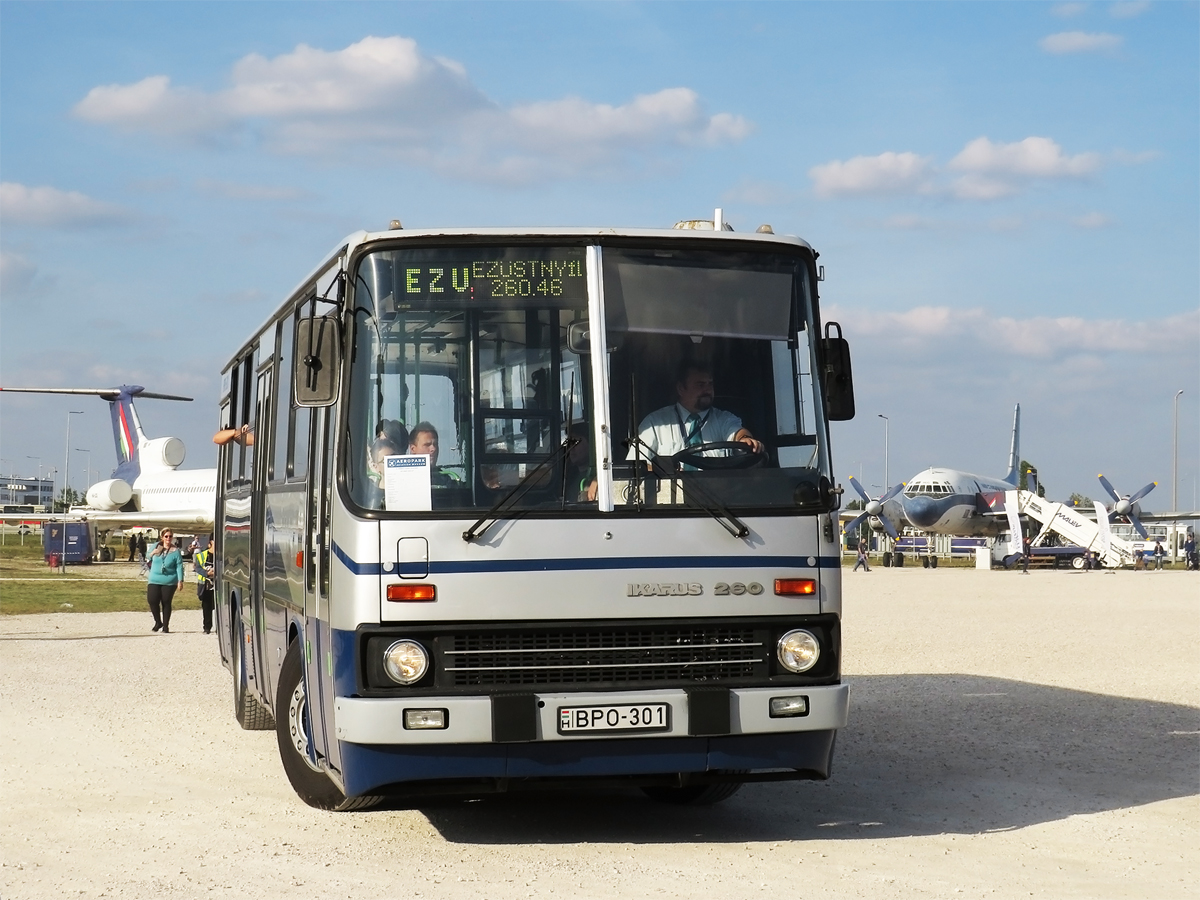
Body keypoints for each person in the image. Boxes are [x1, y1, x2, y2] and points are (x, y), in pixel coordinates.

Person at [630, 361, 764, 466]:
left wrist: (745, 439)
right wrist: (665, 470)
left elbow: (738, 433)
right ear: (681, 388)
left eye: (710, 384)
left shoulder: (724, 419)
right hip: (672, 498)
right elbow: (637, 466)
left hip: (719, 498)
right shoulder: (655, 423)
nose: (707, 389)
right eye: (700, 385)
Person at [146, 529, 184, 634]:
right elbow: (147, 556)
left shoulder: (175, 551)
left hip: (169, 580)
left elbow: (179, 566)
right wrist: (153, 553)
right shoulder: (156, 546)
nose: (168, 538)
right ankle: (158, 622)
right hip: (154, 579)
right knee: (152, 600)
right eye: (166, 536)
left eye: (170, 536)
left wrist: (180, 580)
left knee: (166, 602)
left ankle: (166, 626)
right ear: (162, 537)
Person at [408, 422, 461, 487]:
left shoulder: (445, 481)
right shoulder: (404, 478)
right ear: (413, 449)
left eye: (435, 444)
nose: (433, 449)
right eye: (427, 445)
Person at [194, 535, 215, 634]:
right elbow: (197, 568)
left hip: (218, 586)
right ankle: (207, 627)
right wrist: (207, 573)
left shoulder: (222, 556)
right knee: (206, 607)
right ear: (209, 544)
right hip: (206, 586)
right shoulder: (202, 555)